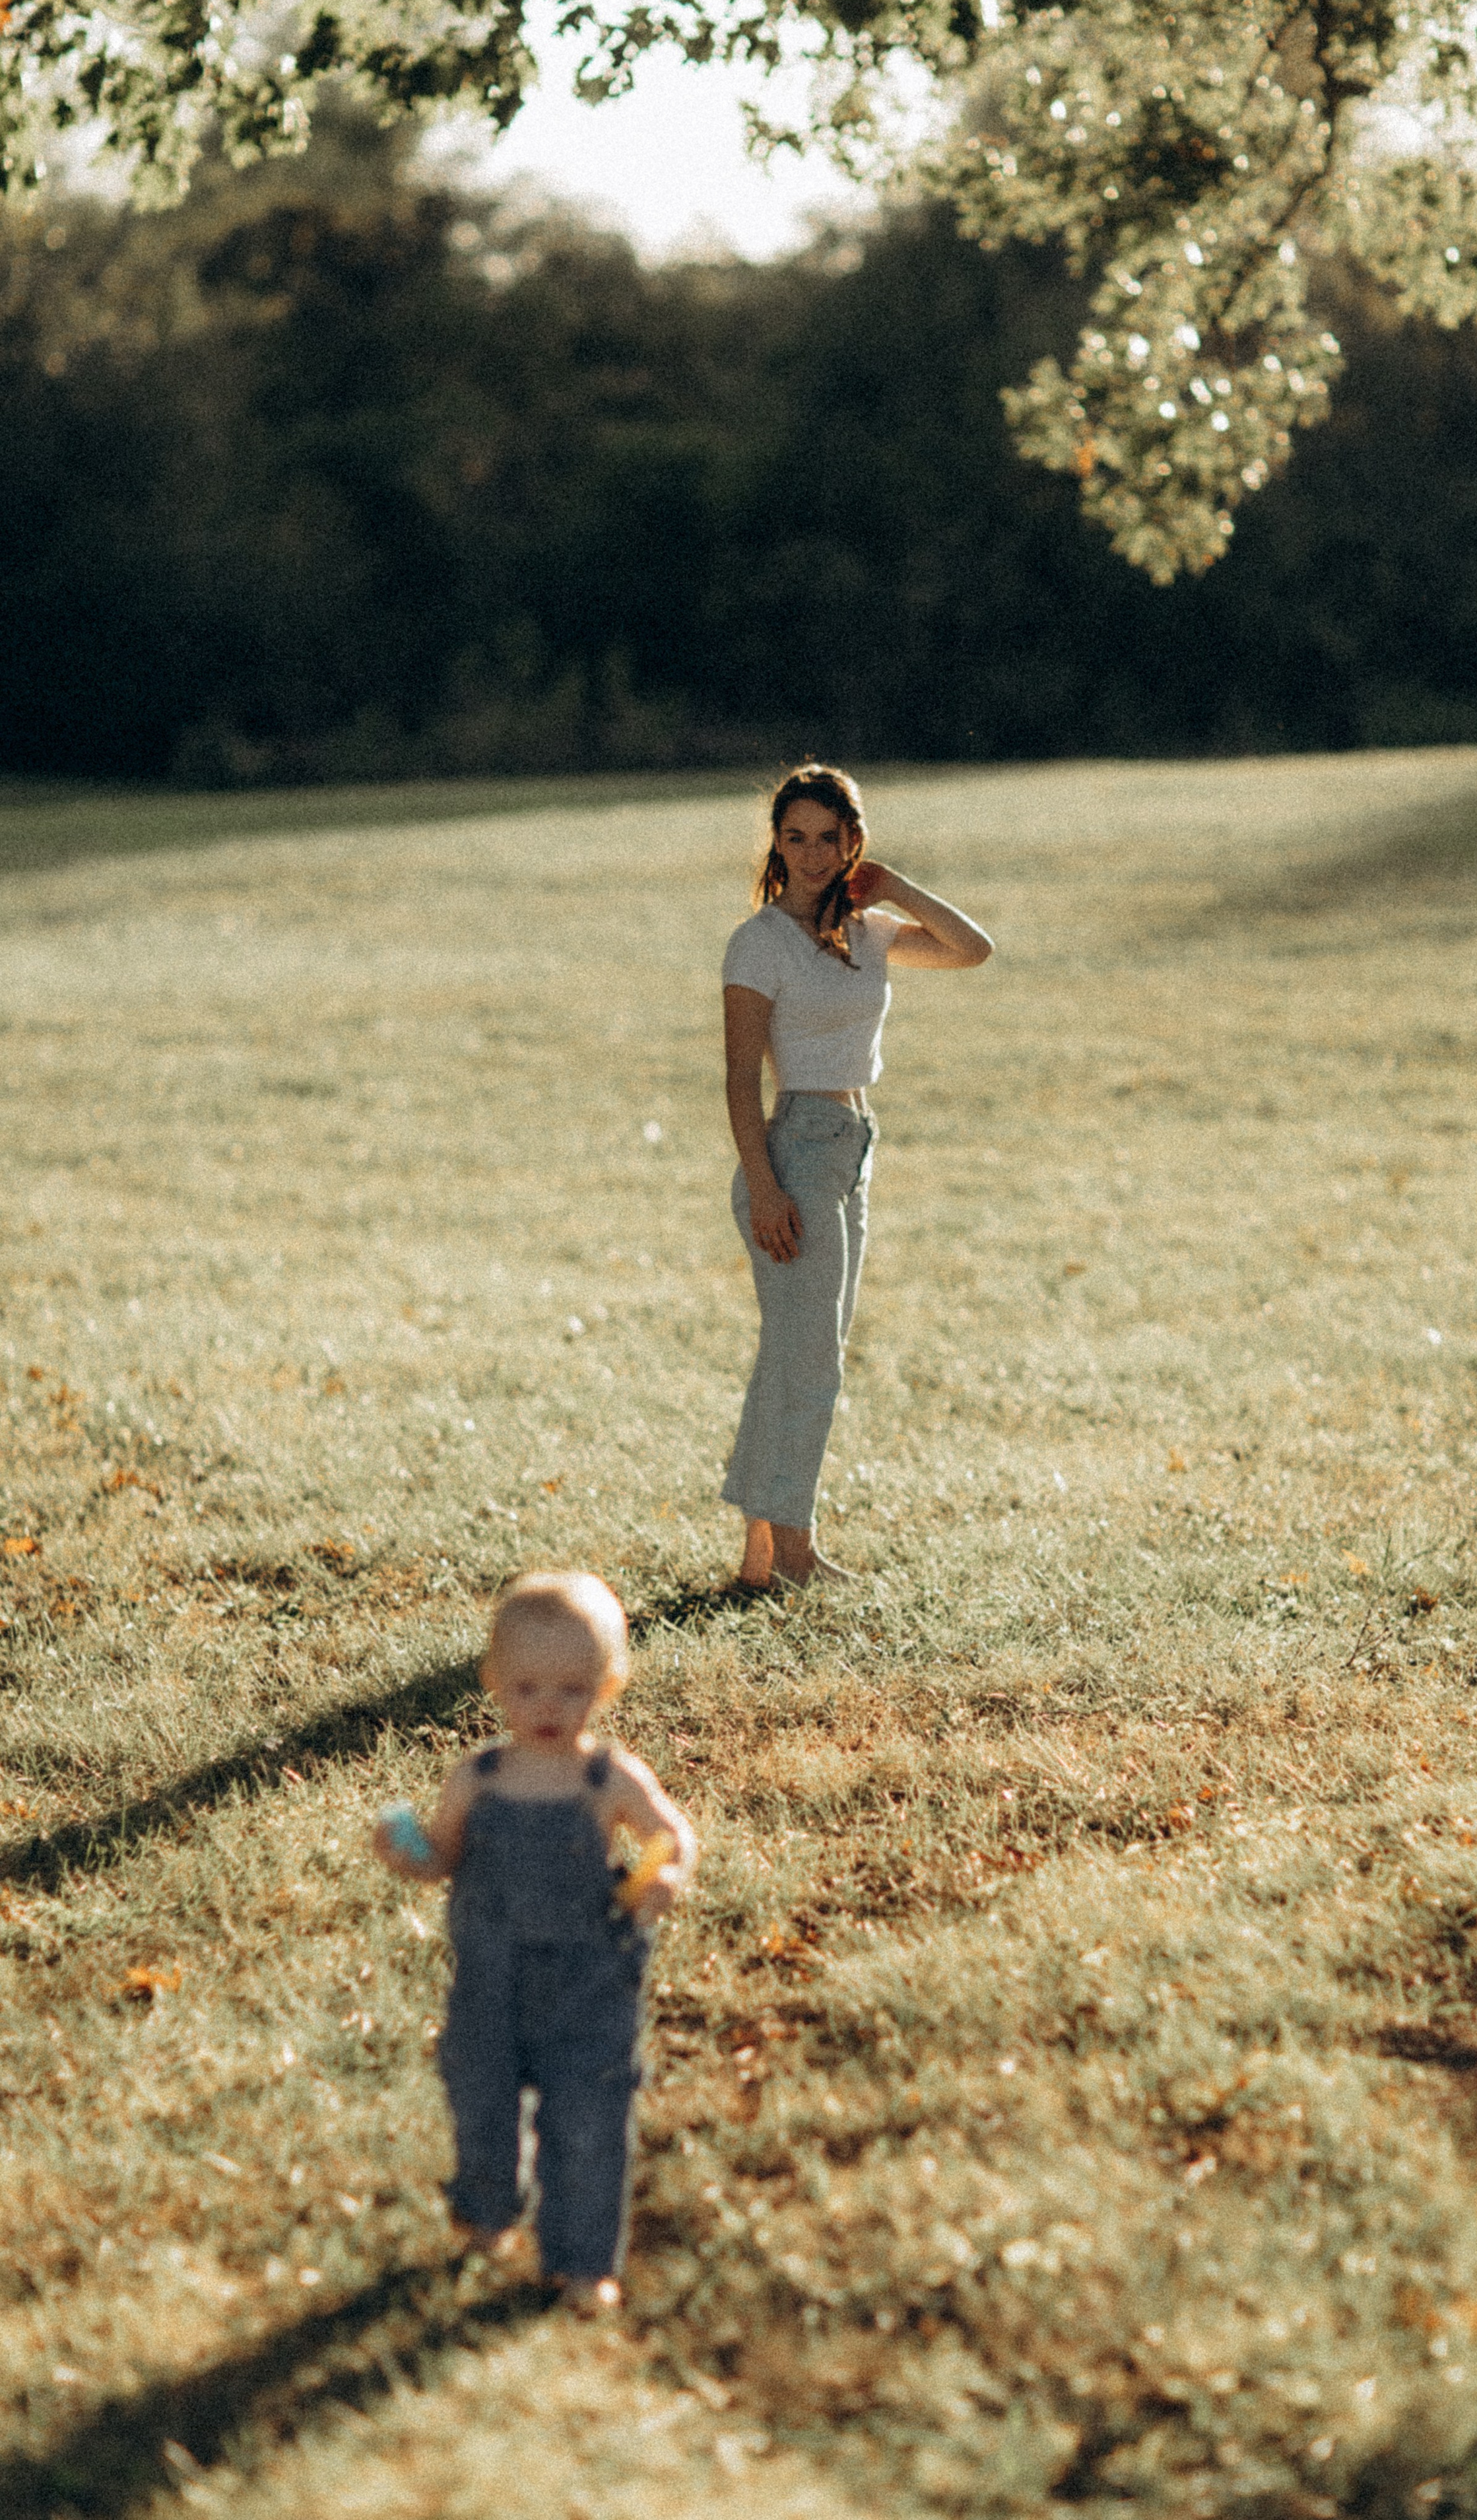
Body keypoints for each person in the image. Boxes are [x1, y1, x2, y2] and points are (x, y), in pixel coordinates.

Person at [371, 1570, 696, 2307]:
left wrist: (666, 1875)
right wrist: (410, 1855)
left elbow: (671, 1836)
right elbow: (446, 1858)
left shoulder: (608, 1779)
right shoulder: (477, 1779)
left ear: (607, 1685)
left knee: (587, 2111)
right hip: (490, 1975)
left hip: (590, 1980)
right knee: (480, 2093)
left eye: (571, 1690)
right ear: (492, 1682)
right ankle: (488, 2209)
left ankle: (583, 2259)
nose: (547, 1707)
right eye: (526, 1689)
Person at [721, 764, 993, 1589]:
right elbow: (739, 1080)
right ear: (777, 842)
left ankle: (759, 1560)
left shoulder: (868, 931)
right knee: (812, 1363)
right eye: (794, 837)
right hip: (793, 1149)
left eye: (827, 839)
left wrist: (896, 886)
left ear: (852, 844)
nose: (809, 854)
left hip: (851, 1144)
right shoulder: (757, 942)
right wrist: (764, 1187)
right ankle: (796, 1556)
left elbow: (972, 950)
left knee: (800, 1352)